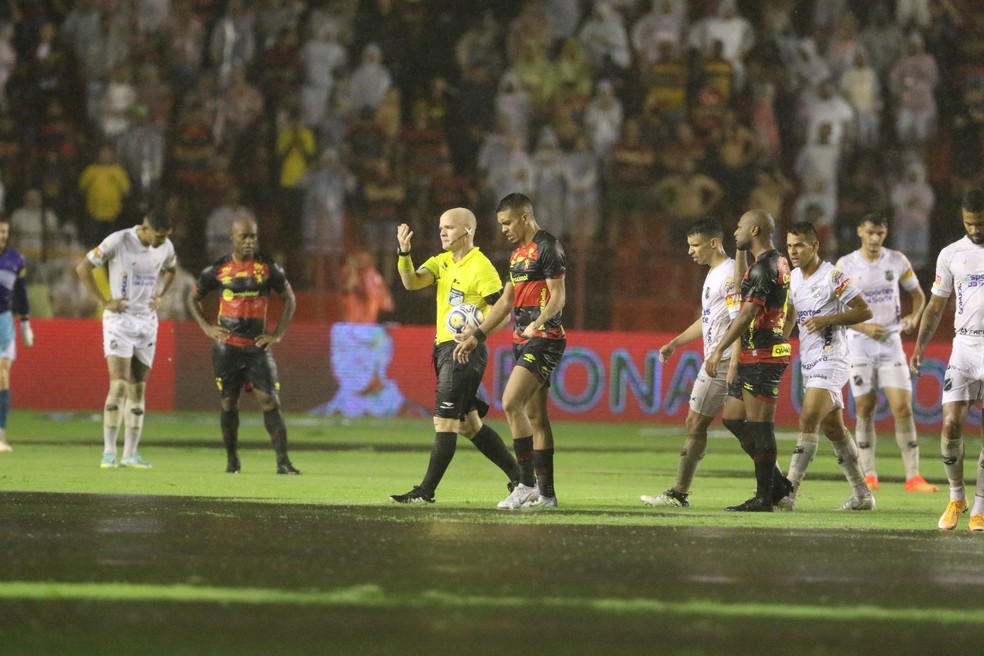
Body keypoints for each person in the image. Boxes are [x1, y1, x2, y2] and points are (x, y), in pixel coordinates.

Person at [388, 207, 521, 504]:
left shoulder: (481, 267)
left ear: (467, 231)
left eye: (449, 227)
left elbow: (504, 315)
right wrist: (404, 252)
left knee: (445, 421)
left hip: (464, 353)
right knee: (469, 425)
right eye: (440, 227)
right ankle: (522, 479)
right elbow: (411, 282)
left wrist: (476, 336)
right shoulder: (442, 262)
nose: (442, 232)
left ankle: (426, 491)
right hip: (444, 349)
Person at [454, 193, 566, 509]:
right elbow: (506, 302)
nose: (503, 229)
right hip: (522, 340)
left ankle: (526, 484)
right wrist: (477, 335)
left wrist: (538, 323)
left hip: (545, 338)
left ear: (524, 217)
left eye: (506, 222)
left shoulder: (548, 247)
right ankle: (546, 495)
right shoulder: (517, 255)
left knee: (509, 402)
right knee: (536, 417)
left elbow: (558, 296)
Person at [187, 216, 300, 475]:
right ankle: (232, 460)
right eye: (244, 237)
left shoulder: (268, 268)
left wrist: (278, 334)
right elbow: (193, 298)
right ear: (232, 236)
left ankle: (283, 463)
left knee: (270, 401)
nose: (249, 242)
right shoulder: (217, 270)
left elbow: (289, 299)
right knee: (229, 403)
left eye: (253, 236)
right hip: (227, 348)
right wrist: (206, 328)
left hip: (257, 347)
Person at [641, 218, 739, 507]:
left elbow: (739, 321)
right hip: (720, 358)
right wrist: (676, 342)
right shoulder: (715, 274)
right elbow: (708, 319)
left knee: (696, 422)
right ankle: (779, 487)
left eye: (694, 245)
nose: (690, 251)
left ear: (713, 243)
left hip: (722, 361)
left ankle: (679, 493)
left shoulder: (729, 275)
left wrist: (725, 356)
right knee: (745, 427)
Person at [835, 213, 936, 493]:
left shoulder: (897, 260)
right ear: (860, 232)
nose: (875, 238)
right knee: (865, 408)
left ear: (885, 233)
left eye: (880, 233)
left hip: (891, 341)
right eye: (870, 232)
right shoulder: (846, 264)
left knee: (902, 407)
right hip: (859, 342)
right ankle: (869, 474)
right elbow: (837, 308)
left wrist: (914, 318)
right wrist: (865, 328)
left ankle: (913, 476)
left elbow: (918, 295)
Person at [779, 221, 876, 511]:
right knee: (833, 428)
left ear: (814, 245)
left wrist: (827, 319)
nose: (793, 251)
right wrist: (780, 342)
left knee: (808, 417)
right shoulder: (793, 278)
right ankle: (862, 495)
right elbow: (791, 317)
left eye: (799, 245)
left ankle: (788, 492)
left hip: (833, 356)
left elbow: (864, 310)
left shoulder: (833, 277)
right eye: (789, 246)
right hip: (809, 359)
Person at [704, 209, 793, 512]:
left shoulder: (764, 268)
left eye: (740, 227)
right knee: (732, 418)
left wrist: (719, 350)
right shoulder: (773, 262)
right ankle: (778, 484)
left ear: (754, 230)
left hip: (763, 355)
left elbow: (746, 314)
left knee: (761, 427)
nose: (735, 232)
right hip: (752, 354)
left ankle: (764, 498)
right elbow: (743, 287)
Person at [76, 208, 176, 468]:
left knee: (138, 390)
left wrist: (162, 294)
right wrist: (104, 301)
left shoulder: (165, 247)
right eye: (159, 236)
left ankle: (130, 454)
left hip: (147, 322)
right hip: (119, 320)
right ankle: (108, 452)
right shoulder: (118, 240)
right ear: (145, 228)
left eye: (166, 237)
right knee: (119, 386)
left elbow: (171, 269)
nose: (162, 241)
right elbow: (83, 267)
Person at [910, 188, 984, 532]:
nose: (976, 230)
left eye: (981, 223)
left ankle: (980, 508)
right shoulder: (952, 254)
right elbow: (936, 306)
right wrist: (920, 348)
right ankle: (957, 497)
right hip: (965, 348)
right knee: (951, 423)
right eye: (970, 223)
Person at [0, 217, 33, 452]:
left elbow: (21, 294)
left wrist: (25, 324)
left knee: (3, 374)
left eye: (4, 232)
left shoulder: (16, 260)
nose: (2, 235)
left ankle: (0, 436)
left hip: (4, 321)